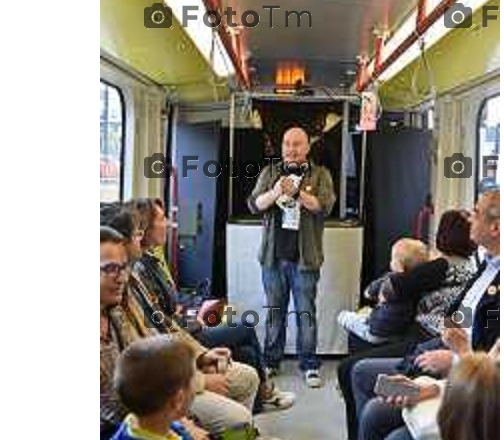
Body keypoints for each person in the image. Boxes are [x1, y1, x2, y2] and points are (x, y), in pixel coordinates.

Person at [329, 191, 499, 440]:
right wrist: (449, 340)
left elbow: (485, 364)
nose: (471, 217)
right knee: (364, 380)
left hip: (452, 368)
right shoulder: (485, 267)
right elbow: (463, 317)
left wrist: (452, 357)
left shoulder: (456, 267)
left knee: (371, 392)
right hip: (437, 350)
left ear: (495, 227)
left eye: (477, 213)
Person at [100, 226, 250, 440]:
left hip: (166, 383)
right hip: (152, 399)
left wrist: (201, 357)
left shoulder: (120, 304)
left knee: (248, 377)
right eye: (109, 268)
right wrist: (193, 391)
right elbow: (124, 395)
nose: (121, 276)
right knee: (240, 420)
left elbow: (165, 328)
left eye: (123, 266)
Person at [329, 210, 476, 440]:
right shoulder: (471, 267)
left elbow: (391, 287)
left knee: (352, 368)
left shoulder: (443, 265)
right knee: (358, 356)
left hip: (424, 336)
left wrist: (379, 289)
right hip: (428, 336)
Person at [131, 197, 295, 415]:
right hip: (184, 335)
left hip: (185, 326)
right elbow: (162, 324)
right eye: (162, 219)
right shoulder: (140, 270)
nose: (170, 223)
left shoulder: (153, 259)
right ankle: (264, 391)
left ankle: (251, 413)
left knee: (244, 351)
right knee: (244, 327)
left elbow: (170, 306)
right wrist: (194, 321)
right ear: (145, 227)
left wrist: (193, 310)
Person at [247, 126, 336, 388]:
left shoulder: (320, 174)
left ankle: (309, 364)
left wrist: (296, 192)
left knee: (306, 312)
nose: (291, 149)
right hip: (273, 260)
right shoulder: (270, 172)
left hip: (305, 260)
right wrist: (276, 192)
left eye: (297, 144)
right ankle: (271, 361)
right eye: (287, 143)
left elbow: (323, 206)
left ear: (308, 147)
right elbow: (254, 204)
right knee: (275, 312)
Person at [336, 238, 430, 346]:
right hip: (399, 330)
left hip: (377, 332)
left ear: (396, 264)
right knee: (368, 313)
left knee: (343, 316)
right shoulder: (420, 283)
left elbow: (368, 293)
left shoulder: (390, 280)